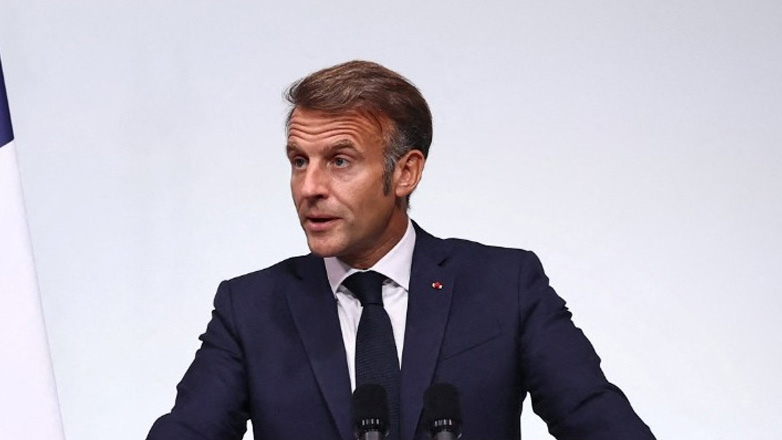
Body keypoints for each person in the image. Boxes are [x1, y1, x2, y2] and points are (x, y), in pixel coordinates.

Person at [147, 60, 655, 440]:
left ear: (405, 172)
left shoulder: (506, 287)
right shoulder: (250, 308)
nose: (310, 187)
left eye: (340, 161)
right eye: (299, 161)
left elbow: (600, 422)